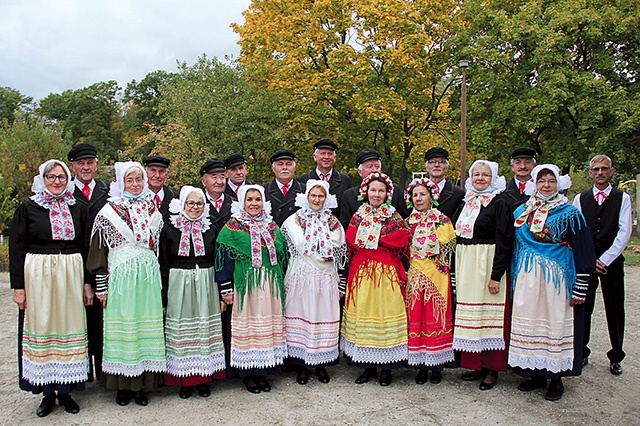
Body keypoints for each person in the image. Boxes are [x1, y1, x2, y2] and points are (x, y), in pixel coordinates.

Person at [9, 159, 91, 416]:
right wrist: (18, 287)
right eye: (51, 177)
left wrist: (88, 282)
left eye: (61, 177)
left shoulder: (78, 208)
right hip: (39, 273)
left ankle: (66, 392)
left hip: (71, 271)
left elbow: (87, 247)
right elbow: (17, 248)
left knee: (69, 325)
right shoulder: (29, 208)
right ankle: (46, 393)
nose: (57, 181)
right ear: (42, 180)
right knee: (43, 325)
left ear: (68, 180)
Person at [509, 164, 596, 401]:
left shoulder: (570, 213)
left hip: (556, 278)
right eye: (541, 181)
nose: (546, 186)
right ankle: (535, 373)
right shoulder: (521, 212)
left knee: (554, 322)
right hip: (528, 276)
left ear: (558, 184)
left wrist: (581, 283)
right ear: (534, 184)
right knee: (532, 322)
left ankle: (555, 378)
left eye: (550, 181)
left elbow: (584, 250)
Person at [88, 161, 165, 407]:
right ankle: (122, 386)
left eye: (139, 179)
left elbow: (158, 247)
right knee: (124, 329)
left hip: (147, 278)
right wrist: (102, 285)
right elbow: (98, 251)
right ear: (121, 182)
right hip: (121, 278)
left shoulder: (152, 209)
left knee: (145, 329)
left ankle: (143, 384)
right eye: (130, 180)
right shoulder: (109, 211)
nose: (135, 184)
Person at [215, 185, 288, 394]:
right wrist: (226, 288)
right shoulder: (232, 226)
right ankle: (248, 374)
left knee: (266, 329)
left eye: (257, 199)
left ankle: (263, 372)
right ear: (242, 202)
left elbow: (282, 256)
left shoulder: (272, 225)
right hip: (246, 286)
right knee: (250, 329)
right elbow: (224, 259)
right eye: (249, 200)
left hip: (269, 286)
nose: (254, 203)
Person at [341, 172, 410, 386]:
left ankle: (387, 368)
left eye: (381, 190)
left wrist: (374, 237)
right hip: (362, 272)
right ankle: (367, 366)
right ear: (366, 192)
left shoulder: (394, 215)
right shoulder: (359, 214)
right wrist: (378, 238)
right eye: (373, 190)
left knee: (385, 312)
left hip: (386, 272)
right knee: (363, 312)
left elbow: (400, 239)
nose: (377, 194)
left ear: (387, 193)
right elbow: (351, 239)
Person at [452, 160, 513, 391]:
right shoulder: (465, 202)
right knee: (471, 316)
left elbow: (505, 241)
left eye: (485, 175)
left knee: (489, 316)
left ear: (493, 178)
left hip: (486, 264)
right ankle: (475, 364)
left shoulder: (500, 204)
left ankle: (491, 369)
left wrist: (496, 275)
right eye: (476, 174)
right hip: (467, 264)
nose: (480, 178)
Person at [159, 186, 226, 399]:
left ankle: (204, 377)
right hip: (179, 281)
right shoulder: (170, 228)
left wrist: (221, 291)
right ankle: (185, 380)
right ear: (182, 204)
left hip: (206, 281)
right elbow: (163, 263)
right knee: (182, 331)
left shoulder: (211, 228)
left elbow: (218, 260)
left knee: (204, 328)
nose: (195, 207)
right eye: (191, 203)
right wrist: (164, 295)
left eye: (199, 203)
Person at [281, 179, 347, 385]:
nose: (317, 200)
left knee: (322, 314)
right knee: (302, 313)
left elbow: (338, 244)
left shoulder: (333, 222)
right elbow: (296, 244)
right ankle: (302, 365)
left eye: (320, 196)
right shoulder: (293, 220)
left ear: (326, 199)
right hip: (301, 274)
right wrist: (317, 248)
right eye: (313, 195)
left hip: (325, 276)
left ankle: (322, 363)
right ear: (306, 197)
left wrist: (322, 251)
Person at [573, 154, 632, 375]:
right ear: (590, 173)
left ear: (611, 171)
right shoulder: (580, 198)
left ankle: (616, 354)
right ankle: (582, 351)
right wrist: (588, 259)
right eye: (596, 169)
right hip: (587, 263)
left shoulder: (622, 198)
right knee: (583, 307)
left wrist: (605, 259)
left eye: (604, 169)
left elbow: (624, 232)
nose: (600, 172)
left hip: (612, 263)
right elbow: (577, 229)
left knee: (615, 308)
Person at [404, 177, 456, 385]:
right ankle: (420, 366)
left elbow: (447, 249)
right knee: (416, 316)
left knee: (436, 316)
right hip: (415, 273)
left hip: (437, 274)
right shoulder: (408, 222)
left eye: (422, 194)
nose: (418, 198)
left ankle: (436, 366)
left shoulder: (442, 220)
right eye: (415, 195)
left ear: (432, 197)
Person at [67, 143, 110, 382]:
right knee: (78, 321)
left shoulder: (107, 190)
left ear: (96, 164)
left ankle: (105, 373)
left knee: (103, 322)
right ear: (73, 165)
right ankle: (80, 375)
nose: (86, 167)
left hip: (104, 264)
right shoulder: (65, 193)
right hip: (75, 265)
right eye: (81, 163)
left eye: (90, 163)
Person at [339, 148, 410, 230]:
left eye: (377, 166)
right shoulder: (349, 195)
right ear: (359, 171)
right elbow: (345, 227)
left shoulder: (395, 190)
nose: (374, 170)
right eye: (369, 167)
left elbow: (404, 219)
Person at [297, 138, 352, 220]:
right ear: (315, 157)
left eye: (330, 154)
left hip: (337, 229)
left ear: (335, 158)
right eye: (323, 153)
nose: (326, 157)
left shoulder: (344, 180)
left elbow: (347, 210)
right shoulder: (303, 180)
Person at [263, 149, 306, 226]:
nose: (284, 168)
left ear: (294, 167)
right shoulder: (263, 191)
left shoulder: (305, 190)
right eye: (280, 164)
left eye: (288, 164)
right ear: (273, 168)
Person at [423, 147, 465, 220]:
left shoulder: (458, 194)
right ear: (427, 167)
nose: (436, 165)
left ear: (446, 167)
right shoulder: (416, 192)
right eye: (432, 162)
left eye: (441, 162)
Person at [201, 158, 233, 232]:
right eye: (214, 177)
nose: (219, 182)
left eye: (222, 177)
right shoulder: (197, 205)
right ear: (203, 181)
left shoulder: (234, 204)